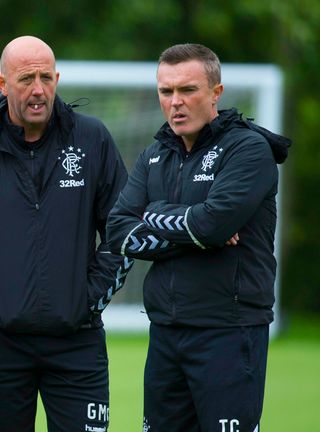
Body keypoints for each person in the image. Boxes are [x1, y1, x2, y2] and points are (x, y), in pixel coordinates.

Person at [0, 35, 132, 432]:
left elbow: (120, 232)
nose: (38, 90)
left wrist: (87, 299)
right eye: (25, 79)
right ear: (2, 84)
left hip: (78, 342)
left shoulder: (92, 140)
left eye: (46, 78)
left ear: (57, 78)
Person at [106, 43, 291, 432]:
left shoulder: (248, 149)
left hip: (229, 331)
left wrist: (155, 215)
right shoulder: (155, 154)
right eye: (166, 91)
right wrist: (191, 228)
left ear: (216, 93)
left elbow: (212, 226)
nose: (175, 102)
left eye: (187, 90)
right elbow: (119, 230)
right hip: (166, 334)